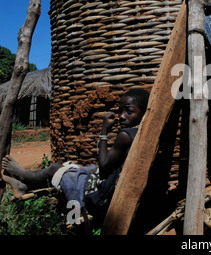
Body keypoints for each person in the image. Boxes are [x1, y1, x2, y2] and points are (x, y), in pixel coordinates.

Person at [1, 88, 149, 212]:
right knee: (74, 169)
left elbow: (104, 168)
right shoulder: (143, 133)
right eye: (120, 111)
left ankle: (24, 176)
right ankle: (23, 185)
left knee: (56, 168)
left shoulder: (125, 135)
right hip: (114, 186)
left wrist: (104, 130)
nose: (121, 116)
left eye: (129, 111)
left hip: (102, 195)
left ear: (143, 112)